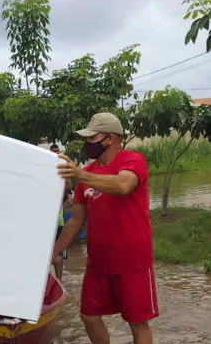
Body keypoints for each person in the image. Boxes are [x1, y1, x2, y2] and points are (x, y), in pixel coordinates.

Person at [52, 113, 158, 344]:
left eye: (92, 138)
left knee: (137, 322)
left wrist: (81, 174)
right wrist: (55, 250)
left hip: (132, 260)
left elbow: (123, 185)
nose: (87, 143)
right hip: (99, 261)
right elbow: (75, 220)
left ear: (110, 139)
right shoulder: (89, 172)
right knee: (89, 316)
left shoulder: (132, 160)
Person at [49, 144, 71, 280]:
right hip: (48, 218)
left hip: (58, 218)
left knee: (57, 251)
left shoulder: (63, 167)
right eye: (54, 152)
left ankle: (59, 281)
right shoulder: (46, 167)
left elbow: (68, 185)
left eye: (58, 151)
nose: (56, 154)